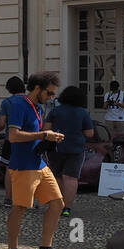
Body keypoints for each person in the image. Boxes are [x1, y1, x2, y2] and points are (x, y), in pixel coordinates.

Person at [3, 72, 67, 249]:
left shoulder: (38, 107)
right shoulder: (18, 106)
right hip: (23, 166)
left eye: (53, 94)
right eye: (49, 93)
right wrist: (43, 135)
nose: (51, 98)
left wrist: (49, 137)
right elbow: (13, 136)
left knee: (58, 204)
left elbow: (36, 134)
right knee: (20, 207)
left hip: (38, 163)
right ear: (37, 88)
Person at [44, 85, 94, 218]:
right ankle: (67, 208)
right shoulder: (83, 112)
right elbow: (89, 133)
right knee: (71, 178)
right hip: (76, 149)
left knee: (57, 176)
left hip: (56, 148)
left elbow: (46, 129)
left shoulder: (55, 111)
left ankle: (57, 205)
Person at [0, 76, 27, 206]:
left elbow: (2, 124)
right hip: (29, 139)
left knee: (10, 170)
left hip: (11, 139)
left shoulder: (7, 103)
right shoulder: (32, 101)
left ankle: (8, 199)